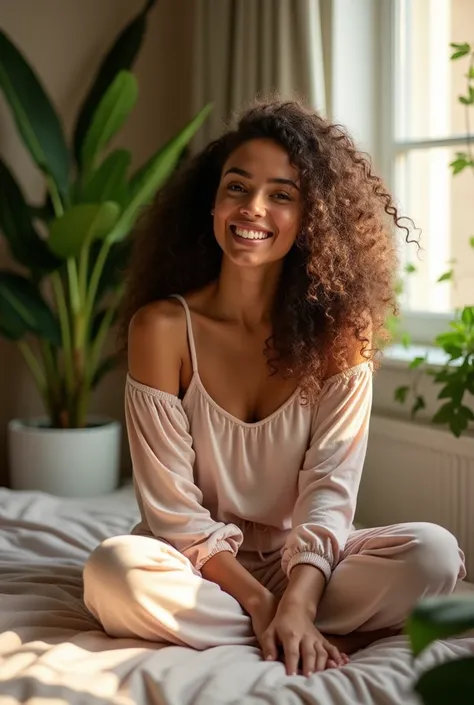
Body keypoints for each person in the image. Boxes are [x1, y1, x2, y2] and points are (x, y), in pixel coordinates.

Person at [83, 98, 466, 678]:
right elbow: (172, 511)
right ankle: (281, 627)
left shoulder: (342, 335)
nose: (253, 208)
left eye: (282, 194)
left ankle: (290, 620)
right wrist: (264, 602)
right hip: (200, 566)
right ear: (211, 203)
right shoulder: (162, 328)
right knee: (112, 575)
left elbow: (330, 493)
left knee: (436, 556)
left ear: (311, 216)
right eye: (237, 187)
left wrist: (298, 595)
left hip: (307, 564)